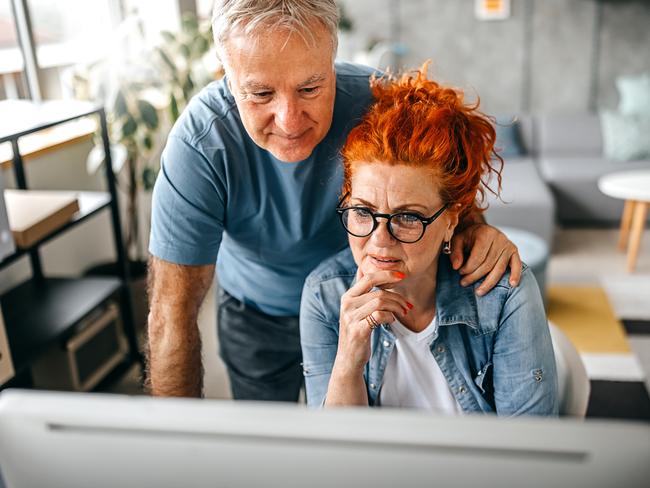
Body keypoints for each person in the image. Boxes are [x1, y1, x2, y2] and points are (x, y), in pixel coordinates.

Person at [147, 0, 522, 401]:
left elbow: (447, 193)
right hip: (258, 317)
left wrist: (477, 229)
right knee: (273, 444)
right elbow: (171, 319)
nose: (289, 121)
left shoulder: (379, 103)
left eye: (310, 88)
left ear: (332, 56)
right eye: (259, 93)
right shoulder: (200, 144)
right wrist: (177, 451)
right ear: (228, 77)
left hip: (371, 303)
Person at [300, 68, 558, 415]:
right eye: (363, 211)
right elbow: (335, 457)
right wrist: (347, 360)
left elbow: (529, 452)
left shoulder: (502, 295)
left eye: (408, 217)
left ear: (452, 218)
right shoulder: (325, 296)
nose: (379, 241)